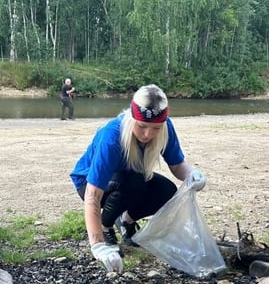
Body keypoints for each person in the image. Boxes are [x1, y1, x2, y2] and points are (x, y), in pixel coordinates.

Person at [69, 84, 206, 273]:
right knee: (133, 181)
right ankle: (106, 225)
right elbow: (93, 195)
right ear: (133, 118)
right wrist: (97, 245)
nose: (148, 135)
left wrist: (192, 174)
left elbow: (177, 165)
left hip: (131, 178)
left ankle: (126, 220)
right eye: (142, 126)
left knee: (166, 191)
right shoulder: (112, 136)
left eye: (155, 128)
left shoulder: (166, 128)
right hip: (88, 182)